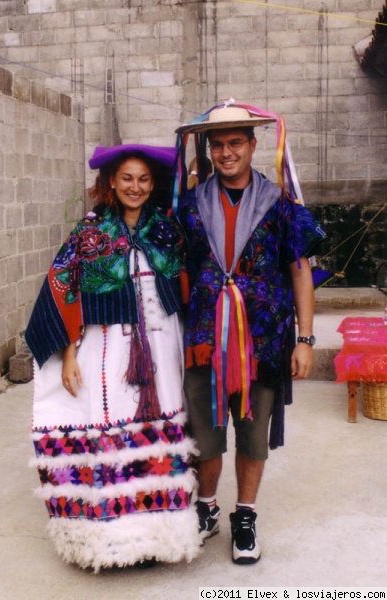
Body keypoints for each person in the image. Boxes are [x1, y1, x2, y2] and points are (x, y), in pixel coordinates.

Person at [25, 144, 202, 572]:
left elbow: (189, 284)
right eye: (126, 179)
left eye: (143, 179)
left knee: (159, 433)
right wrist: (68, 354)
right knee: (107, 429)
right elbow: (65, 292)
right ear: (110, 183)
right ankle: (109, 543)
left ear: (152, 184)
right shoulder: (89, 234)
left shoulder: (167, 231)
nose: (135, 187)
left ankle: (157, 538)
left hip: (162, 348)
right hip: (106, 352)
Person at [175, 103, 326, 565]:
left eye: (235, 143)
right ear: (209, 149)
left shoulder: (280, 205)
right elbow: (174, 267)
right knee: (205, 430)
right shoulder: (190, 205)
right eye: (217, 144)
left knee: (253, 432)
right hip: (203, 336)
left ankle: (245, 516)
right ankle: (206, 508)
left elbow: (300, 271)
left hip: (262, 337)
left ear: (253, 145)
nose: (226, 153)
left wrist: (304, 339)